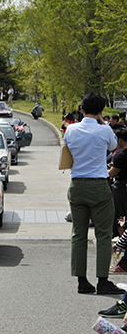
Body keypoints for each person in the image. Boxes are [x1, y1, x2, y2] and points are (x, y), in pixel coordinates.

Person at [66, 92, 122, 295]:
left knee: (78, 234)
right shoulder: (105, 130)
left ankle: (81, 280)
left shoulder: (71, 129)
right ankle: (103, 281)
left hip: (77, 184)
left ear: (81, 109)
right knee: (104, 235)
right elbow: (114, 146)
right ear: (101, 111)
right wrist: (100, 120)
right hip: (99, 185)